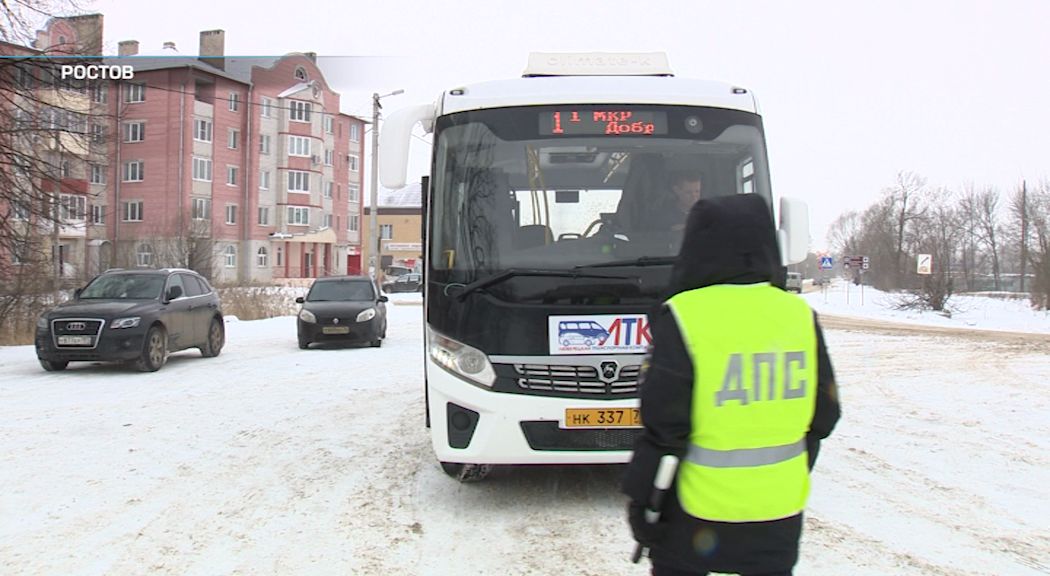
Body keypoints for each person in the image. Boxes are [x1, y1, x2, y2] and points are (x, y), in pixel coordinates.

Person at [622, 193, 841, 576]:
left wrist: (643, 502)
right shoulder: (799, 317)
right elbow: (825, 415)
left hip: (695, 517)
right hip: (780, 515)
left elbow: (663, 428)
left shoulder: (683, 316)